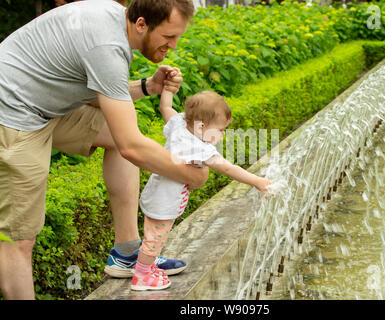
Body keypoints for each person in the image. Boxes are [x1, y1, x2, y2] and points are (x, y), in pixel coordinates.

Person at [0, 0, 207, 299]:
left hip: (41, 105)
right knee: (17, 241)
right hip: (13, 116)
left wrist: (149, 86)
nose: (173, 46)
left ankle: (126, 252)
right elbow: (132, 146)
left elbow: (99, 95)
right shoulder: (107, 47)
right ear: (141, 24)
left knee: (114, 130)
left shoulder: (114, 18)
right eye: (168, 37)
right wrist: (191, 173)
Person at [131, 88, 272, 290]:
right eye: (221, 129)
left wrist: (168, 90)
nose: (223, 134)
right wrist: (256, 181)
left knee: (154, 237)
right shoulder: (198, 147)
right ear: (202, 126)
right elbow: (228, 168)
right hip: (164, 200)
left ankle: (147, 268)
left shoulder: (180, 126)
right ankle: (142, 276)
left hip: (156, 192)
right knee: (154, 240)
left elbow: (166, 107)